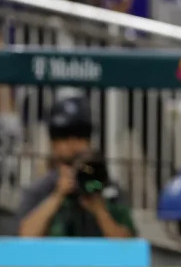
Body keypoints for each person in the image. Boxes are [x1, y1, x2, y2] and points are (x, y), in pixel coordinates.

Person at [17, 98, 134, 238]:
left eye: (81, 135)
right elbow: (24, 238)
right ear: (53, 143)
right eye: (63, 136)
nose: (72, 143)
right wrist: (57, 196)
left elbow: (128, 248)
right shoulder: (41, 190)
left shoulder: (105, 186)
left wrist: (99, 209)